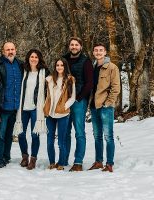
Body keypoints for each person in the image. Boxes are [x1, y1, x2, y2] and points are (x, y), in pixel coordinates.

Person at [0, 42, 23, 168]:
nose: (10, 51)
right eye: (7, 49)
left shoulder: (20, 64)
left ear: (16, 50)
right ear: (3, 51)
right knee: (0, 135)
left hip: (15, 107)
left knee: (9, 134)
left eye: (12, 49)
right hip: (2, 106)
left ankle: (6, 156)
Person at [13, 49, 50, 170]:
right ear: (28, 58)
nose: (33, 59)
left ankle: (33, 159)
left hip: (36, 108)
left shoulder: (45, 72)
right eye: (31, 57)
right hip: (23, 107)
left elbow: (53, 84)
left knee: (35, 135)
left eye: (36, 57)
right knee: (21, 133)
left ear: (39, 59)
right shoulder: (22, 70)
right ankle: (25, 156)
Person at [62, 37, 93, 171]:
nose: (74, 47)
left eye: (76, 45)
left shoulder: (85, 61)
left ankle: (78, 162)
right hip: (64, 100)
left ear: (80, 46)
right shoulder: (63, 60)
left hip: (78, 101)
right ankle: (63, 160)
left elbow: (90, 83)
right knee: (65, 131)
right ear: (69, 46)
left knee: (79, 132)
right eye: (71, 44)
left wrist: (79, 98)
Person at [88, 43, 120, 172]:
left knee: (108, 136)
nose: (98, 52)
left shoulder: (112, 67)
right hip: (94, 106)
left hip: (105, 107)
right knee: (97, 136)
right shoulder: (92, 67)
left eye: (101, 50)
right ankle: (98, 162)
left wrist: (108, 103)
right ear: (93, 53)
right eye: (96, 50)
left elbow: (116, 88)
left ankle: (109, 164)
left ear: (105, 52)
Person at [43, 58, 76, 170]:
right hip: (50, 114)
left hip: (63, 115)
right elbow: (47, 96)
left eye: (62, 65)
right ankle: (52, 162)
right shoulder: (50, 79)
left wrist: (64, 107)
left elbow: (72, 97)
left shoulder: (70, 79)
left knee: (61, 141)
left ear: (65, 66)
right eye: (57, 65)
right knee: (49, 140)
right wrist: (45, 107)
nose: (59, 67)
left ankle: (61, 163)